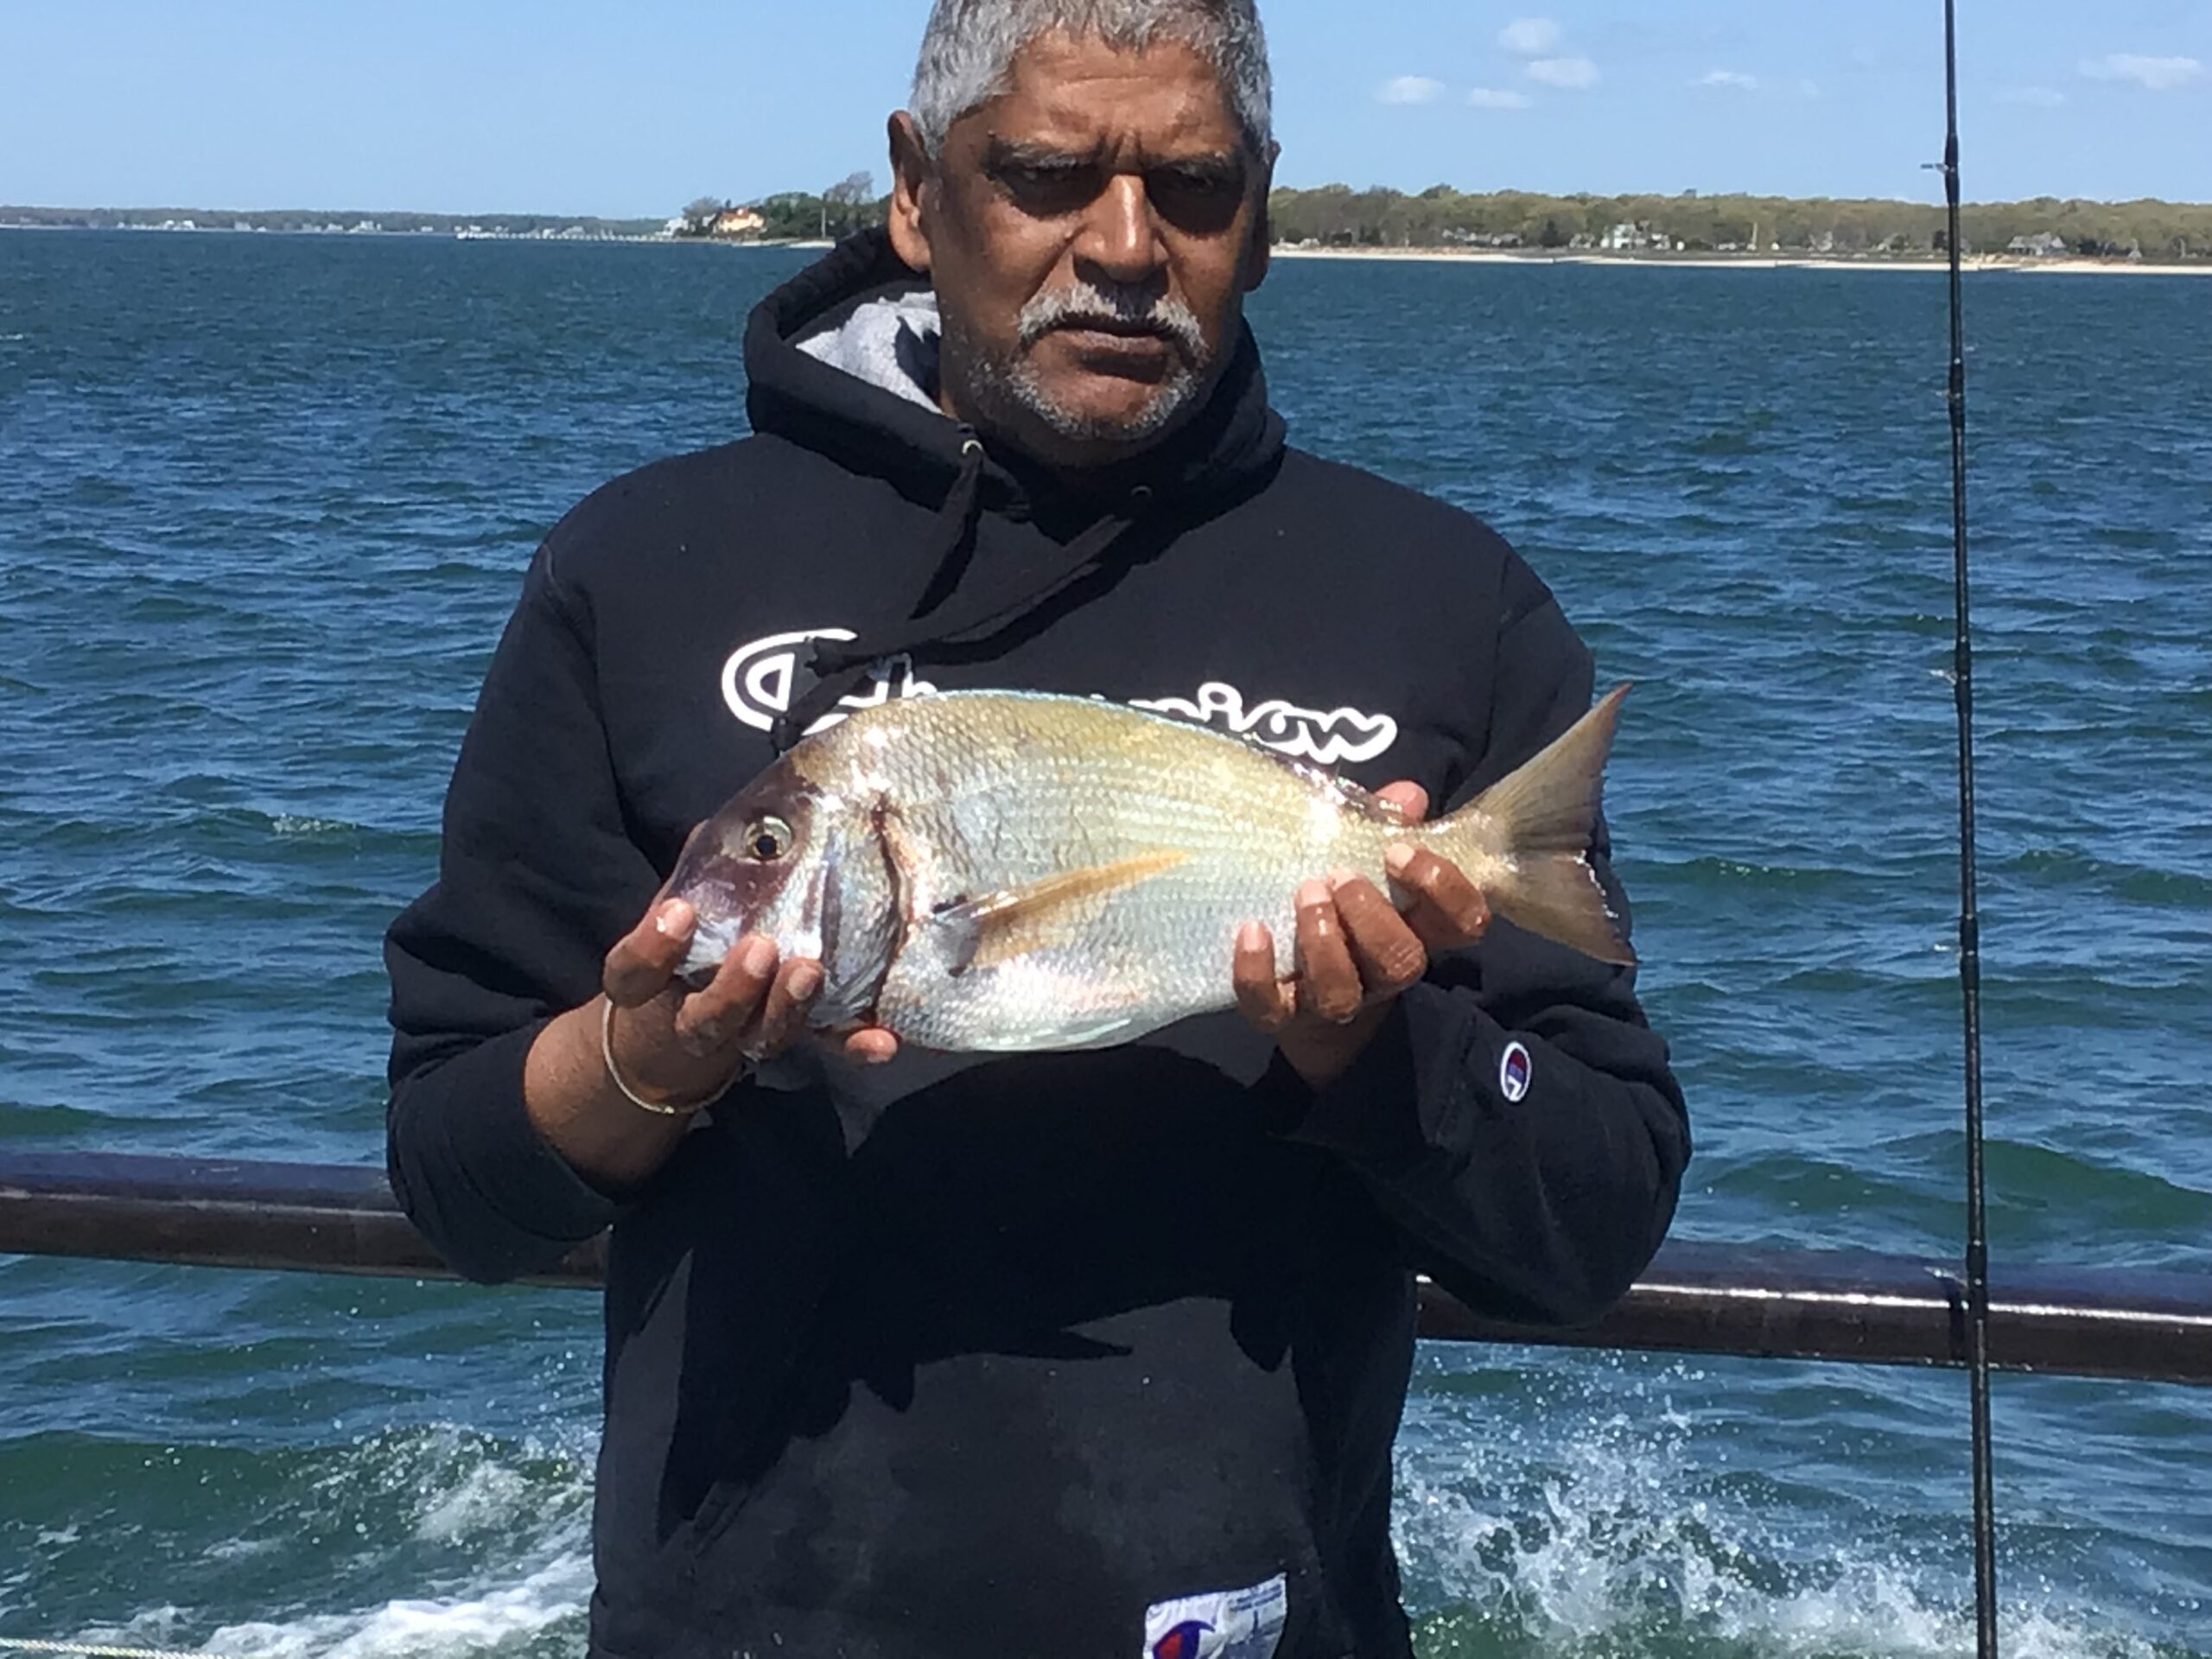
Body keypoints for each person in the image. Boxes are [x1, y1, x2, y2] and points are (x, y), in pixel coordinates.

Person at [385, 1, 1688, 1654]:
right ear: (919, 194)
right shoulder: (641, 571)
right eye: (1051, 174)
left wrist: (1377, 1053)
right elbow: (458, 1181)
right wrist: (646, 1060)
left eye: (1195, 187)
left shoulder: (1445, 604)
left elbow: (1596, 1224)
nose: (1128, 245)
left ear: (1264, 210)